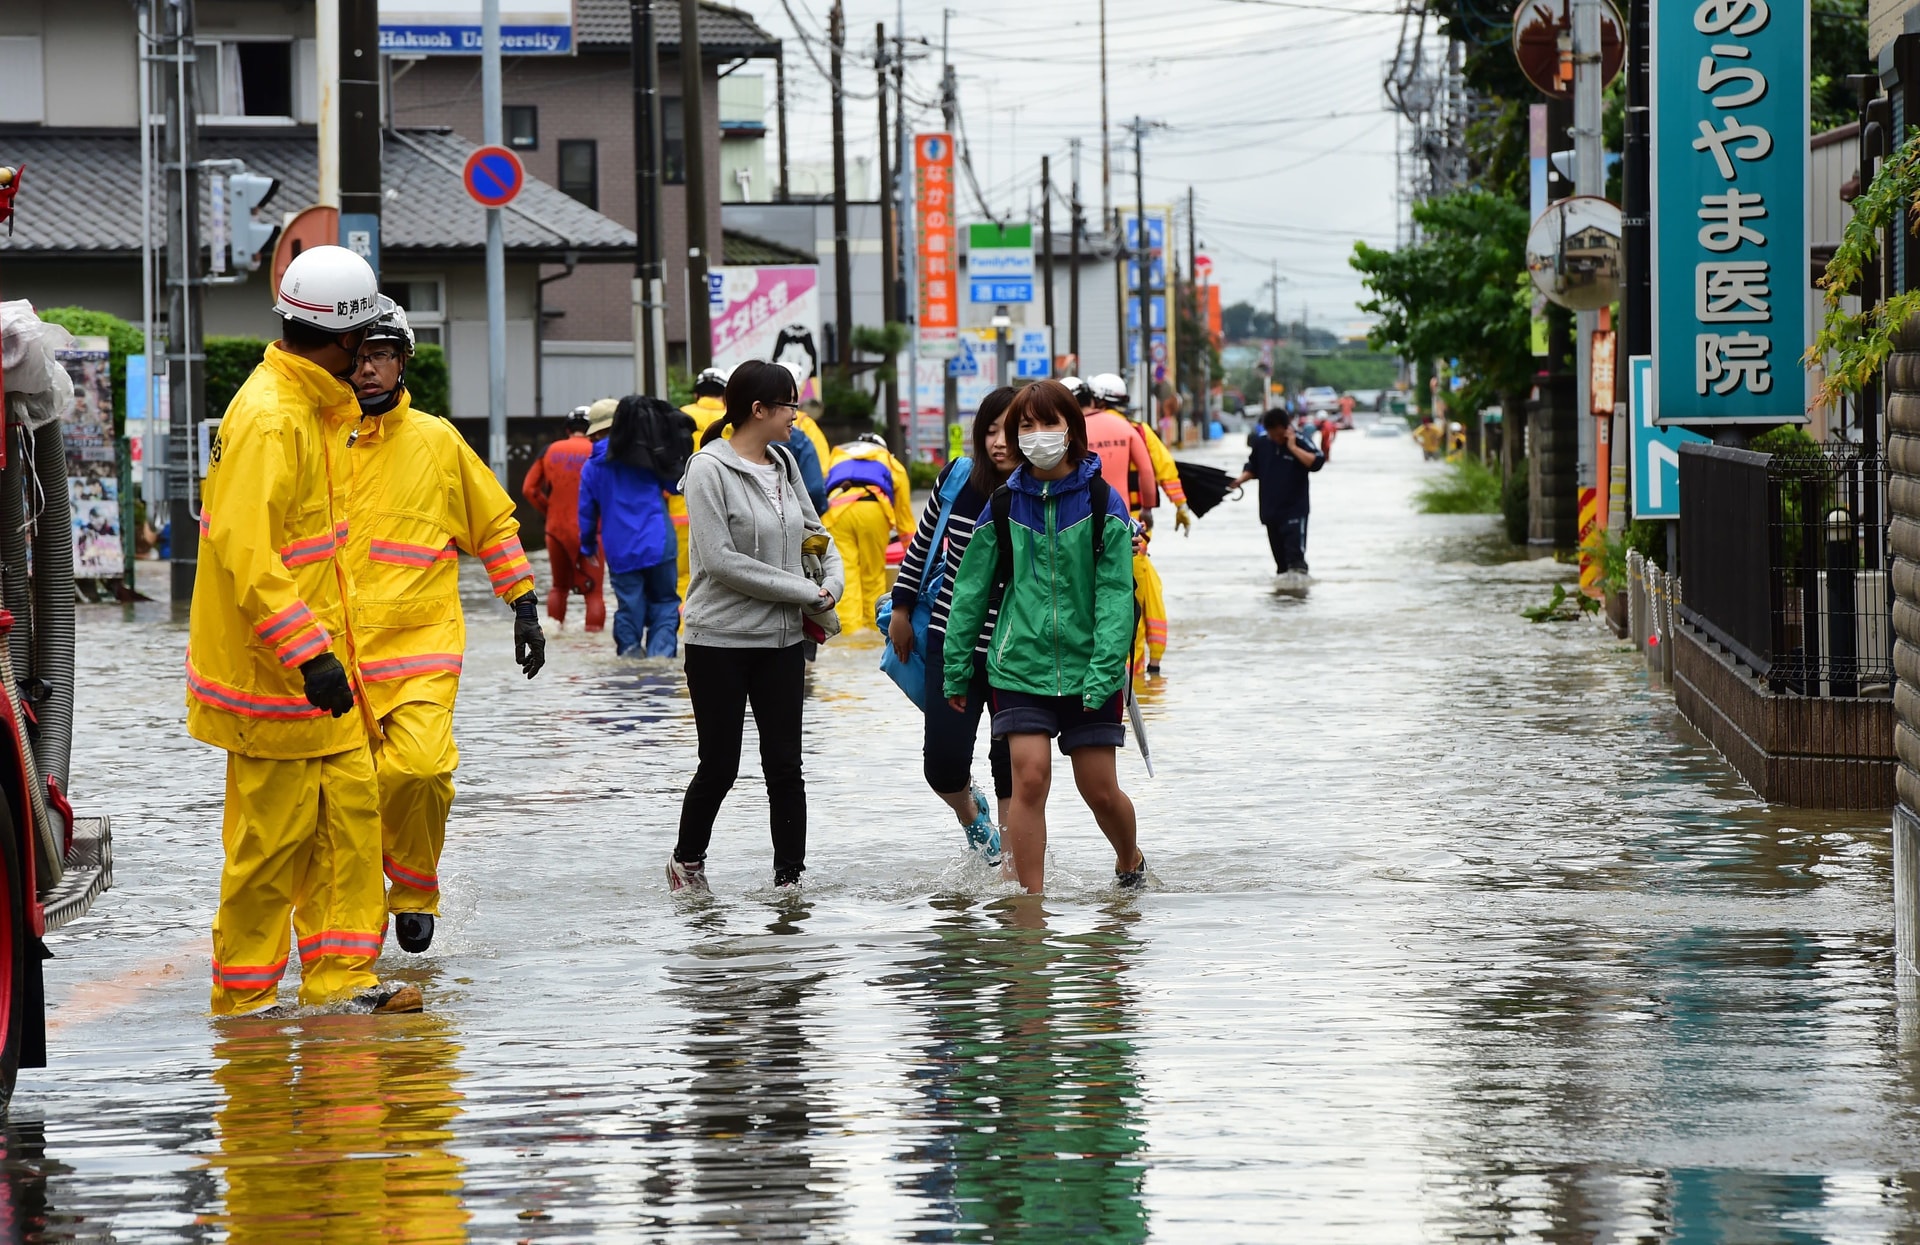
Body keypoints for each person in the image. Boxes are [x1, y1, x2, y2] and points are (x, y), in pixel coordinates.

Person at [186, 245, 418, 1016]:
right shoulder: (271, 419)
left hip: (320, 680)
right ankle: (245, 1002)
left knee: (349, 829)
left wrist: (331, 659)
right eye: (365, 343)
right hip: (274, 683)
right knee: (271, 848)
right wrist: (309, 653)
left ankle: (343, 982)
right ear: (344, 341)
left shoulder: (314, 412)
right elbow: (248, 554)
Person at [342, 306, 544, 955]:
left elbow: (492, 527)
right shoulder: (313, 436)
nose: (366, 367)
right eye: (355, 355)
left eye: (380, 353)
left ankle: (413, 889)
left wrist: (523, 603)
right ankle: (358, 909)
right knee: (347, 791)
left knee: (422, 773)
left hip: (420, 649)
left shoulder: (437, 441)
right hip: (330, 653)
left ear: (404, 360)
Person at [942, 379, 1144, 895]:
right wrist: (957, 667)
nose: (1036, 435)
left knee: (1099, 790)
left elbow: (1117, 596)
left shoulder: (1104, 503)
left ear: (1072, 429)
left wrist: (1105, 671)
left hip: (1090, 667)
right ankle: (1029, 909)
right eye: (1025, 425)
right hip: (1019, 665)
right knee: (1029, 779)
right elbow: (969, 591)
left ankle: (1129, 858)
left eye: (1048, 422)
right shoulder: (1005, 505)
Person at [672, 360, 843, 892]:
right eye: (790, 405)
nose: (797, 414)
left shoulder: (785, 462)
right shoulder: (706, 469)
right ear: (759, 410)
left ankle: (790, 885)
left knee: (786, 769)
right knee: (720, 765)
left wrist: (832, 584)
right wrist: (804, 591)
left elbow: (816, 534)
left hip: (784, 641)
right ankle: (687, 864)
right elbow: (722, 561)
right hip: (717, 641)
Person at [887, 387, 1018, 863]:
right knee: (942, 766)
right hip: (950, 641)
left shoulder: (1038, 489)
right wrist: (901, 610)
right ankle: (972, 818)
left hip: (1015, 648)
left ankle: (1012, 869)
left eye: (1010, 430)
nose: (999, 442)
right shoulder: (959, 478)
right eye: (989, 430)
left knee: (1010, 764)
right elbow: (922, 546)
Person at [579, 396, 681, 657]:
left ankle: (630, 660)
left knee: (629, 607)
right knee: (664, 603)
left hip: (620, 549)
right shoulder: (647, 454)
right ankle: (661, 661)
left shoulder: (591, 467)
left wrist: (587, 545)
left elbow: (587, 513)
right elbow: (674, 486)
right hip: (659, 542)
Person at [1088, 372, 1176, 675]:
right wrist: (1151, 509)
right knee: (1135, 592)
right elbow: (1151, 473)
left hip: (1082, 525)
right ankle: (1138, 672)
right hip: (1128, 525)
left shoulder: (1075, 428)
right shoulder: (1131, 429)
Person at [523, 404, 605, 631]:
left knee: (559, 587)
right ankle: (594, 643)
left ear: (568, 429)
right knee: (594, 592)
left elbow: (529, 489)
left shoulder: (549, 450)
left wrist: (549, 511)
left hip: (556, 529)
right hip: (592, 530)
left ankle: (554, 634)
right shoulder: (599, 450)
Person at [823, 433, 913, 636]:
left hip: (837, 513)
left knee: (846, 575)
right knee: (872, 575)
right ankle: (874, 630)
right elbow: (904, 513)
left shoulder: (837, 455)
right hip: (874, 510)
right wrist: (912, 553)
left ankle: (848, 633)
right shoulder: (890, 461)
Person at [1233, 408, 1327, 575]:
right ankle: (1284, 598)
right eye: (1271, 434)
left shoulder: (1300, 441)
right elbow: (1253, 468)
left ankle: (1298, 597)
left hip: (1294, 511)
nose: (1274, 438)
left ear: (1286, 428)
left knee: (1296, 563)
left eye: (1277, 434)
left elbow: (1316, 462)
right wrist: (1239, 480)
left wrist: (1292, 448)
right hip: (1270, 512)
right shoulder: (1262, 443)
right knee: (1282, 566)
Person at [675, 369, 730, 602]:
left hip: (681, 509)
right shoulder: (735, 418)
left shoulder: (680, 416)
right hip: (725, 508)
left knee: (683, 576)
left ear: (697, 394)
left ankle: (682, 631)